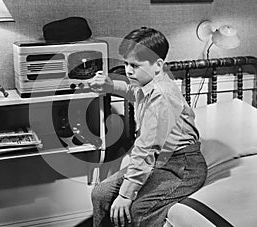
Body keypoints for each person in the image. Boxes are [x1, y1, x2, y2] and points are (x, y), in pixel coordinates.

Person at [88, 27, 207, 227]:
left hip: (183, 166)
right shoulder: (147, 84)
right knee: (100, 194)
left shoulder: (162, 96)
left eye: (134, 65)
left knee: (137, 209)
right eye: (126, 63)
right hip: (160, 163)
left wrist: (126, 195)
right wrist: (110, 86)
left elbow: (147, 149)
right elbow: (133, 91)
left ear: (158, 65)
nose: (128, 70)